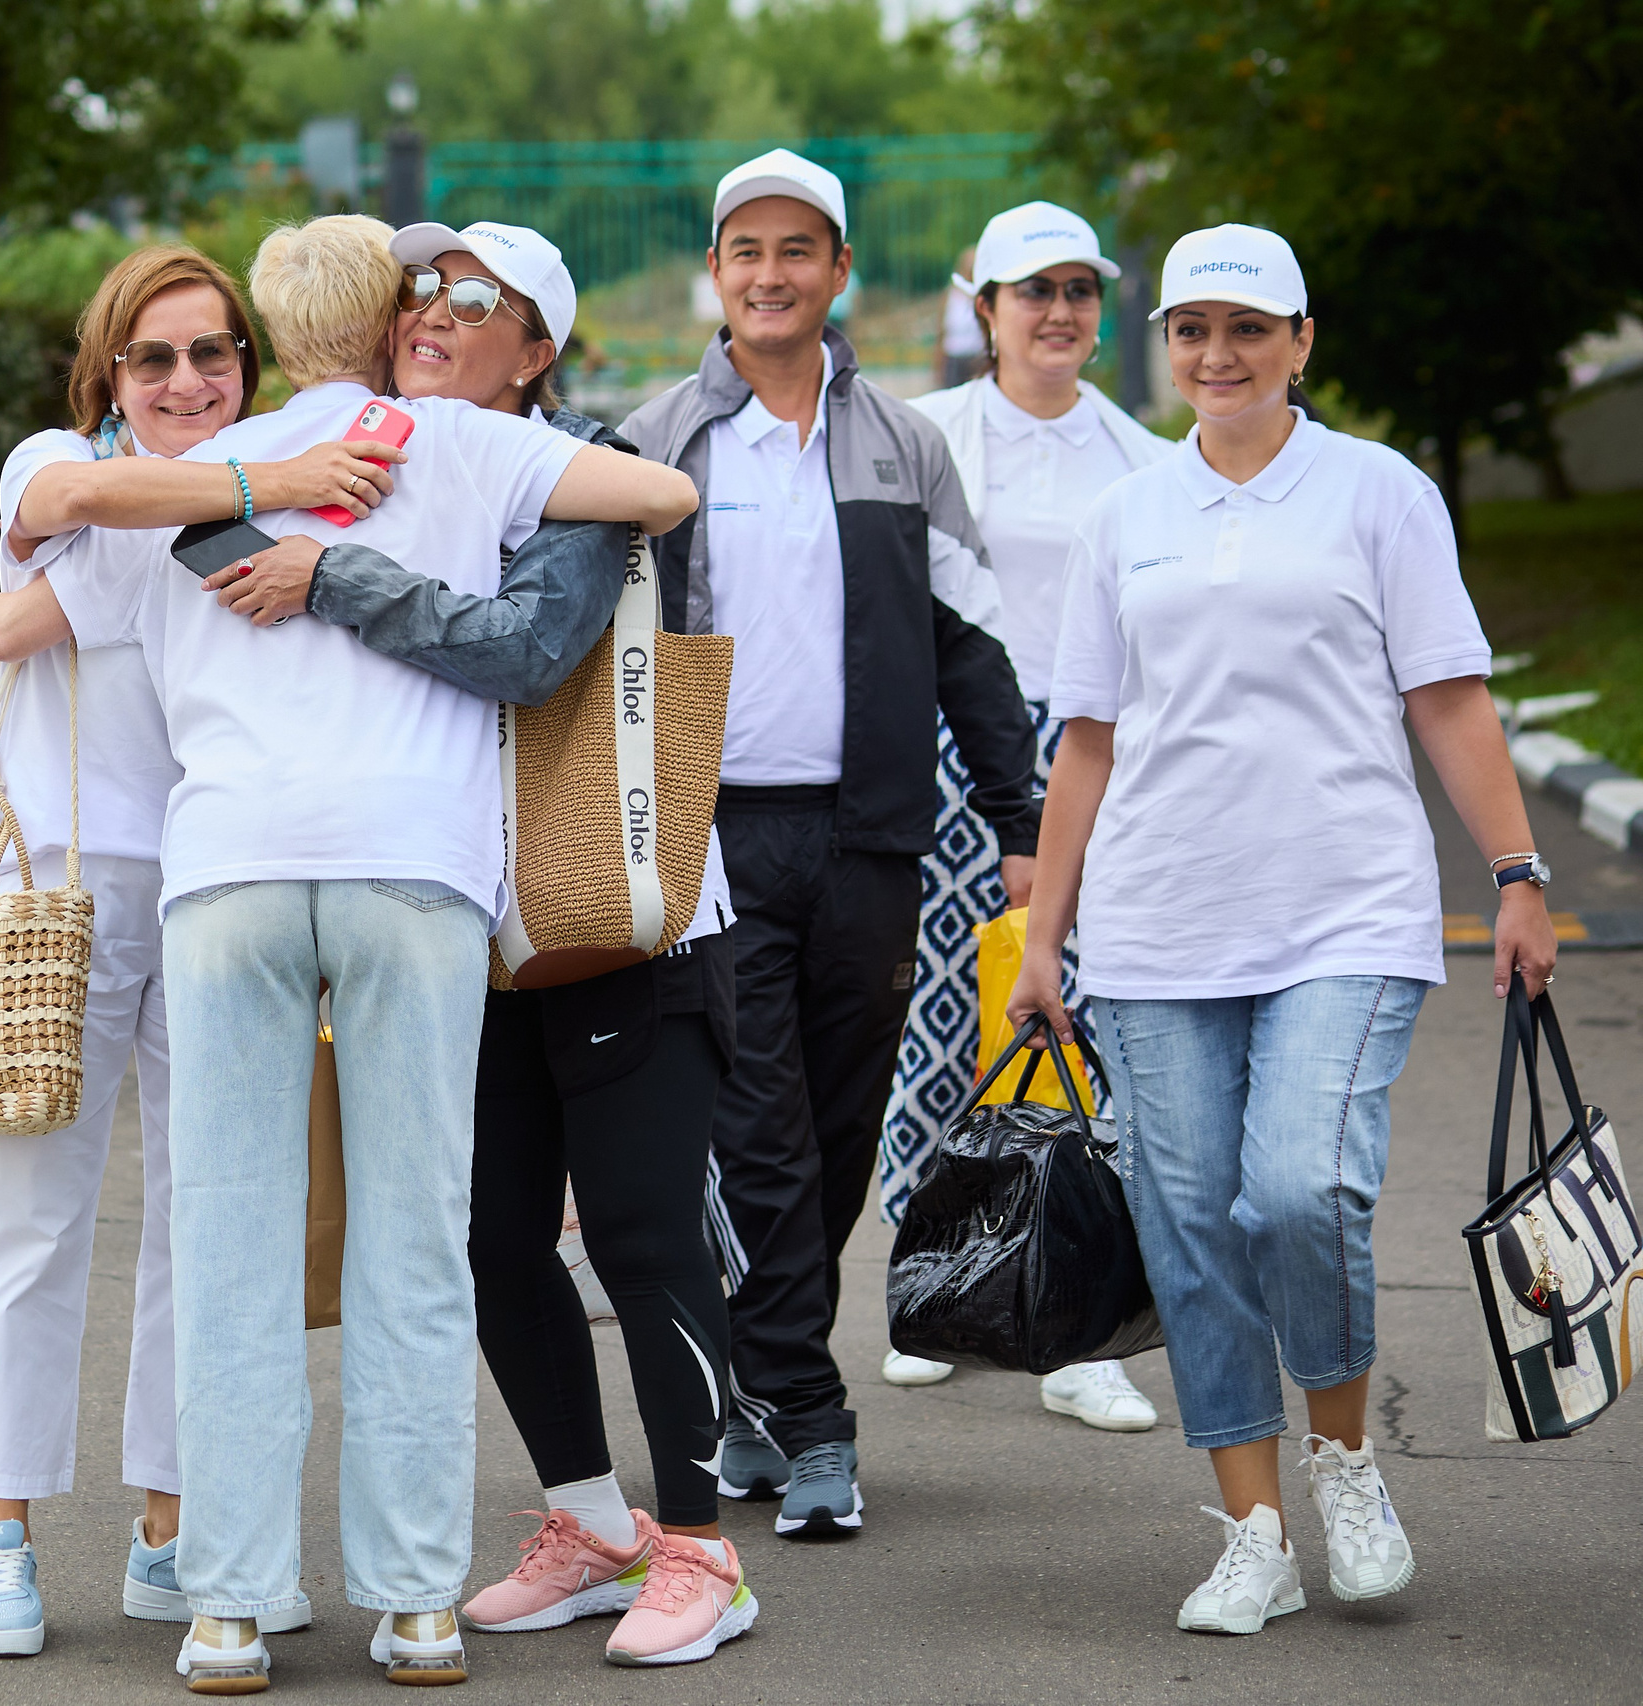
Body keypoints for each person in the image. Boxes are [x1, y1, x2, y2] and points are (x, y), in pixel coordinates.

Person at [0, 214, 698, 1694]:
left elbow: (52, 570)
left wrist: (264, 508)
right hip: (415, 868)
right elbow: (662, 487)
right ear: (394, 309)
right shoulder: (460, 446)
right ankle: (412, 1603)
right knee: (415, 1233)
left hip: (232, 871)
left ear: (266, 326)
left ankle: (228, 1605)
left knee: (230, 1230)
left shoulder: (201, 472)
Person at [213, 220, 754, 1668]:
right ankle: (588, 1522)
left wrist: (331, 579)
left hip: (608, 911)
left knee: (641, 1232)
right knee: (490, 1235)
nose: (434, 310)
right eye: (420, 289)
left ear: (539, 350)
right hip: (463, 914)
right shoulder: (365, 463)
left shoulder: (569, 477)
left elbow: (526, 651)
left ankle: (704, 1545)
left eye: (478, 298)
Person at [1007, 223, 1558, 1635]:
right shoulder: (1125, 515)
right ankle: (1252, 1529)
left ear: (1302, 342)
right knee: (1191, 1226)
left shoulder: (1377, 492)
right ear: (1168, 343)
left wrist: (1516, 867)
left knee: (1301, 1191)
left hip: (1345, 907)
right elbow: (1087, 737)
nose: (1218, 354)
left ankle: (1346, 1460)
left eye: (1249, 328)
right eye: (1192, 328)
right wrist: (1045, 936)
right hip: (1155, 918)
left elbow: (1446, 694)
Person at [0, 244, 409, 1660]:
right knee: (29, 1217)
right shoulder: (70, 469)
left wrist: (23, 611)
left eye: (214, 353)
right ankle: (1, 1535)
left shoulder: (283, 470)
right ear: (106, 375)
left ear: (249, 365)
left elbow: (51, 603)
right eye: (155, 358)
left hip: (221, 889)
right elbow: (76, 508)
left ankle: (172, 1524)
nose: (189, 380)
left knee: (213, 1222)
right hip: (57, 896)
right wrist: (274, 483)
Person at [618, 149, 1039, 1537]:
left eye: (798, 250)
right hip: (716, 838)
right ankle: (814, 1420)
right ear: (716, 272)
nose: (770, 275)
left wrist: (1021, 822)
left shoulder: (901, 444)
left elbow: (970, 642)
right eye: (746, 251)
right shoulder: (658, 436)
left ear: (839, 270)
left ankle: (749, 1379)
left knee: (838, 1127)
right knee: (762, 1139)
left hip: (869, 838)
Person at [879, 202, 1177, 1430]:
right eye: (1029, 290)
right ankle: (930, 1260)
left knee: (1082, 998)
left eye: (1076, 290)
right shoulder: (925, 435)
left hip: (1091, 749)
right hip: (957, 741)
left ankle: (1077, 1319)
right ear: (983, 306)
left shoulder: (1138, 454)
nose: (1056, 312)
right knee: (942, 996)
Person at [938, 247, 984, 390]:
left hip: (976, 356)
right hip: (954, 356)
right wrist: (938, 364)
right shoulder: (949, 294)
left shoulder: (982, 294)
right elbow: (941, 330)